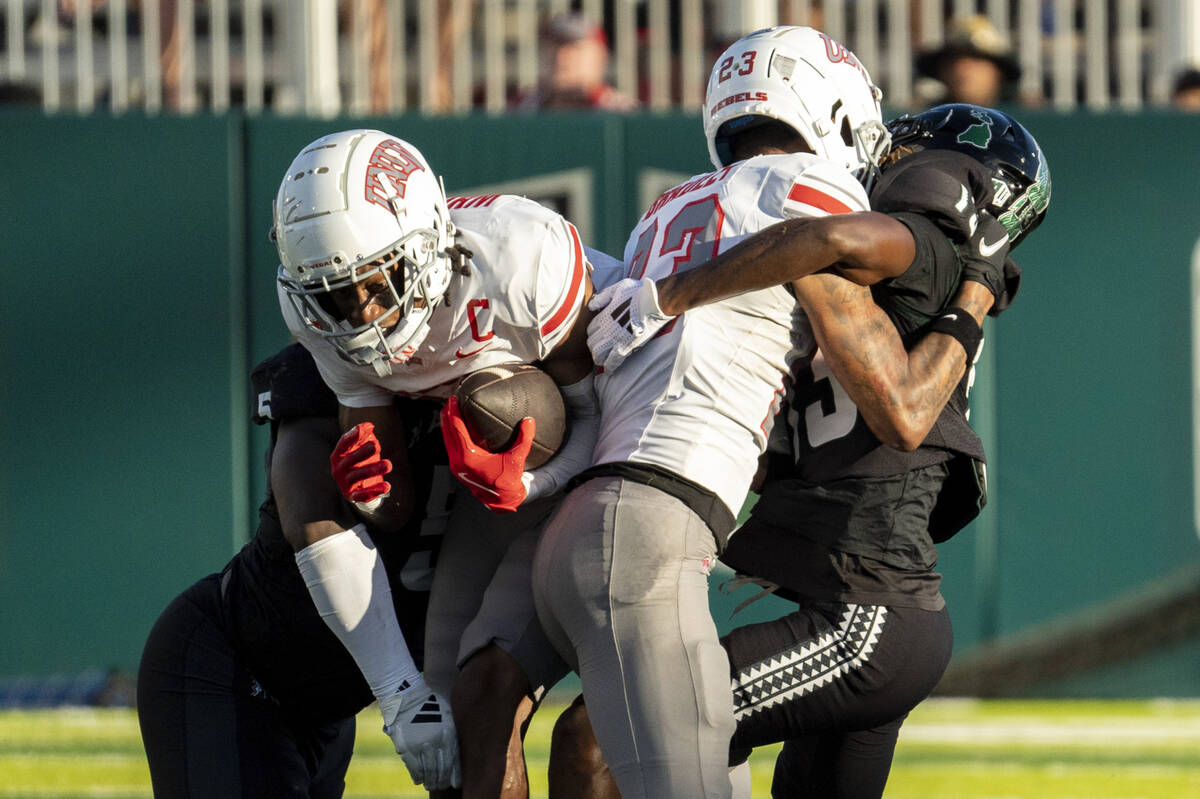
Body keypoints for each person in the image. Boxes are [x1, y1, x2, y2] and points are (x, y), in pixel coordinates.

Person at [584, 103, 1051, 798]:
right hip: (875, 606)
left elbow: (825, 240)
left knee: (614, 736)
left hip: (868, 616)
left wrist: (671, 294)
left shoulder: (920, 240)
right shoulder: (919, 282)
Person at [523, 26, 900, 799]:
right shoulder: (803, 185)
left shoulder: (664, 212)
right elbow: (874, 246)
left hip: (589, 530)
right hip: (650, 535)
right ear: (824, 110)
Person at [270, 128, 611, 798]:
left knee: (610, 730)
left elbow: (599, 415)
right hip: (499, 488)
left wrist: (536, 475)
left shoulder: (517, 257)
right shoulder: (316, 315)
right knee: (456, 699)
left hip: (614, 448)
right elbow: (393, 502)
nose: (362, 314)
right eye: (338, 294)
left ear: (427, 237)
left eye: (378, 280)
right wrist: (369, 494)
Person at [137, 342, 449, 797]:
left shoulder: (499, 371)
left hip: (328, 707)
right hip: (232, 665)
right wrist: (402, 693)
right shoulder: (329, 378)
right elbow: (314, 527)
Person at [511, 11, 638, 111]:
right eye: (553, 47)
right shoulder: (520, 109)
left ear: (601, 56)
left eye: (575, 48)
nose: (561, 57)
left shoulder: (624, 114)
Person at [915, 15, 1022, 107]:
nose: (962, 67)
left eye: (976, 57)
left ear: (999, 71)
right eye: (953, 58)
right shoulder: (924, 123)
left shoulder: (1021, 124)